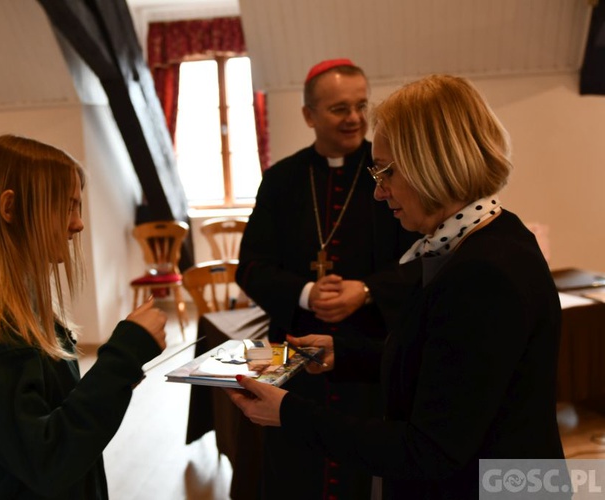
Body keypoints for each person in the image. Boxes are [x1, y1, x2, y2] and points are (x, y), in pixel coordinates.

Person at [228, 74, 566, 499]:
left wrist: (290, 413)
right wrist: (344, 354)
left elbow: (429, 449)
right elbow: (447, 363)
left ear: (434, 163)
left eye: (386, 170)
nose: (379, 191)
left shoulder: (482, 271)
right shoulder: (493, 233)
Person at [0, 134, 167, 499]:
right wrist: (122, 356)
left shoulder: (17, 308)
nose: (77, 224)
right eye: (66, 206)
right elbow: (48, 459)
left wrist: (112, 380)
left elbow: (44, 411)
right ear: (10, 208)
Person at [236, 59, 417, 499]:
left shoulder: (393, 171)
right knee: (294, 467)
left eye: (361, 105)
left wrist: (368, 290)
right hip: (291, 347)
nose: (355, 118)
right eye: (339, 109)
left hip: (369, 350)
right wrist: (304, 294)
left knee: (363, 466)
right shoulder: (281, 179)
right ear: (309, 115)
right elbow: (251, 266)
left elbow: (420, 262)